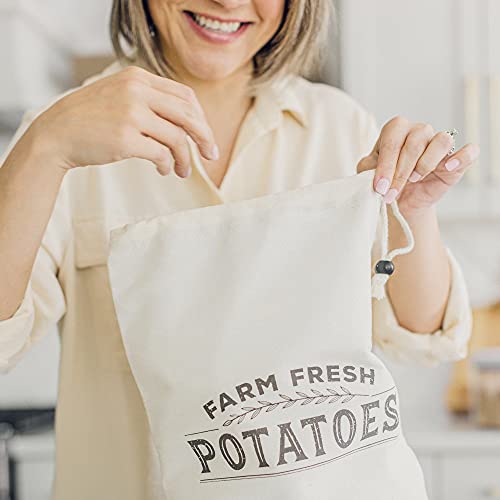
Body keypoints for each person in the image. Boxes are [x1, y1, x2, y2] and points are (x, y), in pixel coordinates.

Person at [0, 0, 478, 498]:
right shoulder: (59, 135)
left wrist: (414, 210)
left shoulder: (339, 127)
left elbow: (423, 335)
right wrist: (45, 147)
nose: (227, 2)